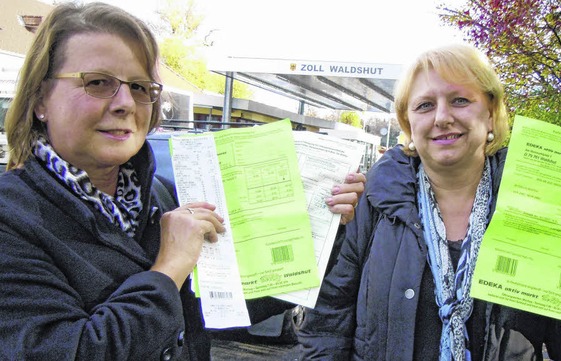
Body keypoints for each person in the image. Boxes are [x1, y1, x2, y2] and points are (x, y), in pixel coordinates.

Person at [0, 2, 364, 360]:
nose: (126, 102)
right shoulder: (12, 218)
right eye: (98, 82)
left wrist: (322, 227)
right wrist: (169, 268)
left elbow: (218, 312)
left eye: (141, 87)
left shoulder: (157, 195)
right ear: (40, 100)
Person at [296, 43, 561, 360]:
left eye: (459, 100)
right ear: (408, 123)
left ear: (490, 114)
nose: (442, 117)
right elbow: (327, 326)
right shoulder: (374, 202)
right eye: (425, 105)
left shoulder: (544, 201)